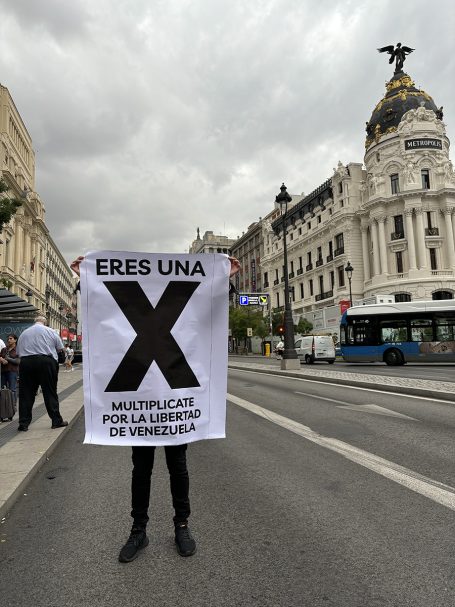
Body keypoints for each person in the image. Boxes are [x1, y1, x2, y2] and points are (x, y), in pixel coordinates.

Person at [70, 254, 240, 563]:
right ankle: (139, 530)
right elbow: (105, 303)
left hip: (173, 396)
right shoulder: (135, 304)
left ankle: (182, 526)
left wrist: (224, 278)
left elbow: (202, 306)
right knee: (142, 468)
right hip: (142, 397)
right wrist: (86, 277)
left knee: (178, 467)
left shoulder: (177, 298)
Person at [16, 315, 68, 432]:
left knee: (26, 394)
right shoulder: (50, 331)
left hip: (27, 363)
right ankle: (56, 421)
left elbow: (19, 352)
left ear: (34, 322)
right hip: (45, 362)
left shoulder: (24, 333)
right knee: (49, 391)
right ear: (45, 322)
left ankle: (23, 424)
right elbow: (60, 348)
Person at [0, 334, 20, 421]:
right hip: (3, 371)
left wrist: (8, 359)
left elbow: (18, 361)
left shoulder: (18, 349)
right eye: (8, 339)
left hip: (12, 371)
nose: (9, 340)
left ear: (15, 340)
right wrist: (1, 359)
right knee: (2, 389)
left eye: (11, 339)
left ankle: (12, 406)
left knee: (12, 389)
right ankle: (4, 407)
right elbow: (0, 356)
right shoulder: (4, 349)